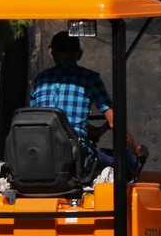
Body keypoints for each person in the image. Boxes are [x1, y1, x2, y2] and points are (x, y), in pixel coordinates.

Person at [30, 31, 147, 166]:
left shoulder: (40, 80)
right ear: (79, 54)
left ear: (53, 55)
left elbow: (40, 119)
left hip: (40, 154)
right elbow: (115, 122)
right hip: (76, 156)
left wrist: (95, 132)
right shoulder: (89, 78)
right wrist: (136, 150)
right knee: (125, 163)